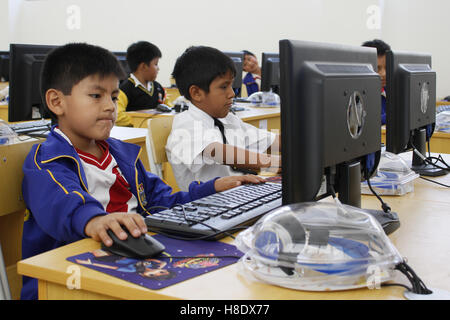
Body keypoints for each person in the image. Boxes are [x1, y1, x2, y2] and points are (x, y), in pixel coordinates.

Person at [20, 43, 264, 300]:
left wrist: (213, 187)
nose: (110, 107)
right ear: (56, 102)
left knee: (232, 280)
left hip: (131, 259)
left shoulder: (121, 155)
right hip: (68, 279)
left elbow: (163, 202)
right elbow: (64, 202)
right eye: (96, 96)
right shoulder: (47, 160)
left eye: (114, 97)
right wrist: (95, 220)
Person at [166, 46, 281, 191]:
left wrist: (308, 146)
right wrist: (274, 162)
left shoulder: (229, 120)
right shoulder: (185, 123)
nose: (232, 93)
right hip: (206, 206)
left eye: (231, 86)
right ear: (196, 93)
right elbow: (217, 152)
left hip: (237, 197)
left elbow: (272, 140)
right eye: (224, 87)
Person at [115, 41, 166, 127]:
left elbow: (168, 108)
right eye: (156, 64)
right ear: (143, 66)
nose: (158, 69)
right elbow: (118, 117)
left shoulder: (158, 87)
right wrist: (142, 121)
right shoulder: (125, 89)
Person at [362, 39, 391, 125]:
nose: (384, 73)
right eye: (378, 68)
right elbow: (367, 122)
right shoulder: (358, 97)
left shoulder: (389, 91)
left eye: (387, 67)